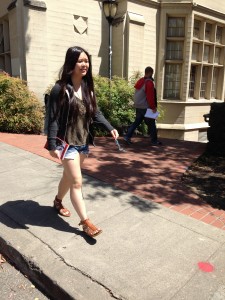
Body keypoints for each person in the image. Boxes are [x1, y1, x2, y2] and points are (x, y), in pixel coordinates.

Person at [46, 46, 119, 238]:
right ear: (71, 64)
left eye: (86, 61)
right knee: (77, 182)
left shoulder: (87, 89)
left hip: (83, 142)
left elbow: (96, 113)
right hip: (66, 143)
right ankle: (86, 223)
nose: (84, 64)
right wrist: (52, 144)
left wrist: (109, 127)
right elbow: (52, 118)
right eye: (80, 61)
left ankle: (57, 201)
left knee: (68, 178)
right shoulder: (60, 89)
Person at [124, 66, 161, 145]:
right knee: (152, 123)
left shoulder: (140, 81)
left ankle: (127, 136)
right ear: (150, 73)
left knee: (136, 122)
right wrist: (153, 107)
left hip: (138, 105)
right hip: (146, 106)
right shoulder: (149, 82)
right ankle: (154, 141)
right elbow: (150, 96)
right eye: (152, 73)